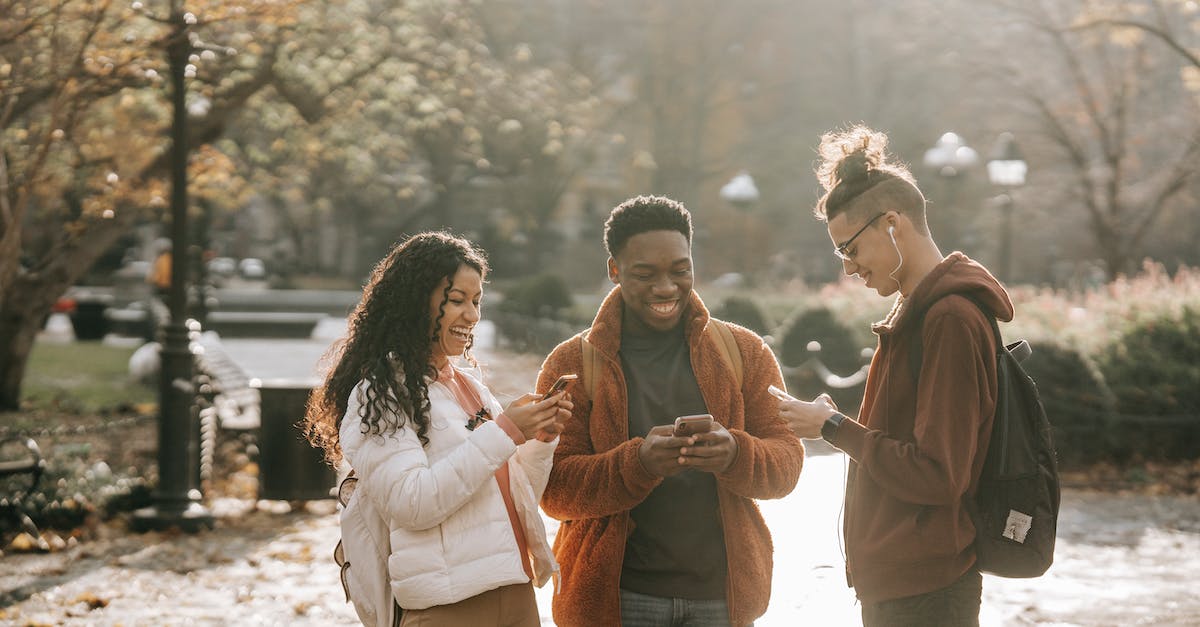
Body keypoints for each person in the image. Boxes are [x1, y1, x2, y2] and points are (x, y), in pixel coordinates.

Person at [777, 125, 1015, 627]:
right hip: (907, 580)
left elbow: (937, 474)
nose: (848, 268)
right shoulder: (922, 311)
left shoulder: (948, 318)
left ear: (892, 223)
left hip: (926, 587)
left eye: (850, 249)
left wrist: (830, 426)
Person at [537, 195, 804, 627]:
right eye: (645, 274)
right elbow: (553, 490)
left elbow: (788, 464)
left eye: (680, 270)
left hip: (723, 597)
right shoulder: (572, 364)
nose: (666, 288)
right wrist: (636, 463)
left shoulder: (744, 352)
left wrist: (735, 453)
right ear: (614, 270)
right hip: (618, 601)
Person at [303, 231, 572, 627]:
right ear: (416, 303)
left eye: (477, 301)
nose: (472, 315)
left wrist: (540, 439)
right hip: (448, 608)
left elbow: (515, 499)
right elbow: (414, 503)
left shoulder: (469, 386)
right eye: (458, 300)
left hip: (515, 591)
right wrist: (505, 431)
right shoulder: (379, 394)